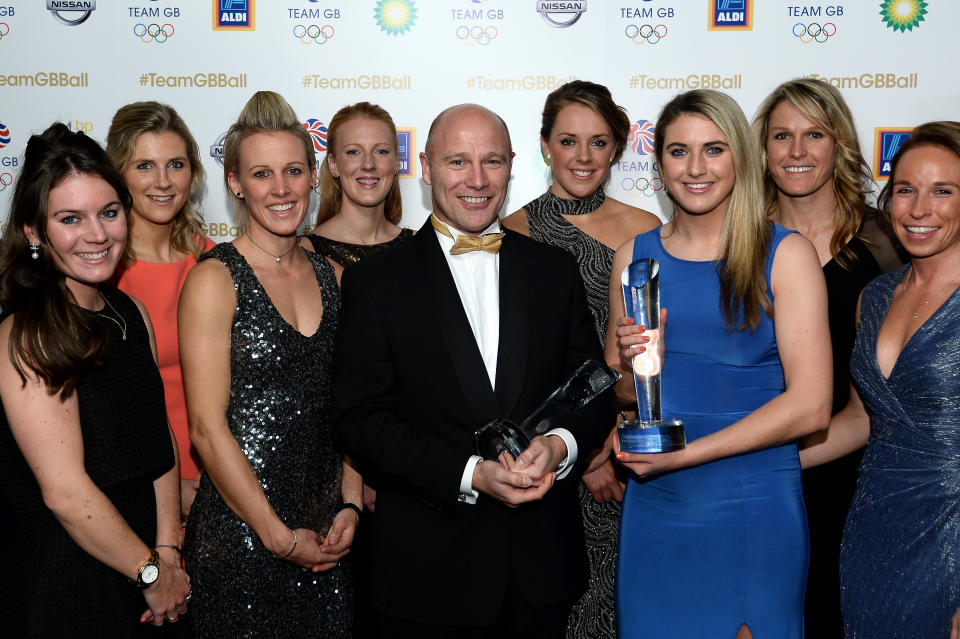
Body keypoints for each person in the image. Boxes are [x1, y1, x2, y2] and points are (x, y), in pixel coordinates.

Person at [333, 104, 615, 638]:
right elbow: (360, 421)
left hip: (539, 572)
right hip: (428, 578)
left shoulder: (553, 271)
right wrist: (470, 474)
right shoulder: (377, 283)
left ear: (512, 165)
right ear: (426, 166)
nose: (477, 180)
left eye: (492, 161)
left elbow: (594, 389)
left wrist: (558, 447)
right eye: (458, 162)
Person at [609, 90, 832, 638]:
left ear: (741, 157)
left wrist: (685, 456)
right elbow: (622, 393)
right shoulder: (633, 257)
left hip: (750, 502)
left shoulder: (787, 254)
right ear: (658, 161)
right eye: (679, 151)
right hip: (656, 506)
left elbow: (812, 408)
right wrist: (631, 363)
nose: (696, 168)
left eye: (714, 149)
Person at [179, 91, 359, 638]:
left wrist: (350, 504)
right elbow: (207, 431)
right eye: (262, 174)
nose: (281, 190)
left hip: (327, 539)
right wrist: (278, 536)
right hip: (241, 538)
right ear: (235, 182)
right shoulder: (215, 279)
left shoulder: (337, 274)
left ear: (313, 177)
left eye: (293, 171)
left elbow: (351, 405)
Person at [0, 123, 191, 636]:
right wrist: (150, 572)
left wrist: (168, 551)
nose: (98, 234)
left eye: (109, 212)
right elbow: (65, 492)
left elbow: (160, 441)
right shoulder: (29, 334)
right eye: (70, 219)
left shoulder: (130, 312)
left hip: (147, 573)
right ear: (34, 231)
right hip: (68, 584)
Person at [502, 79, 660, 639]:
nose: (584, 156)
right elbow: (523, 362)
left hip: (639, 448)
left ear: (617, 147)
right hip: (558, 449)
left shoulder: (647, 229)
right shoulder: (513, 232)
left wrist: (617, 436)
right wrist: (586, 452)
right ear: (545, 145)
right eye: (569, 141)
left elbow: (659, 348)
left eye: (598, 141)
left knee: (635, 603)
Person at [752, 78, 906, 637]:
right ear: (762, 149)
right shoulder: (736, 240)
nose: (796, 152)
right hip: (748, 474)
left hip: (855, 479)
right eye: (782, 136)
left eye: (813, 134)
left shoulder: (889, 241)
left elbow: (893, 394)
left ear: (838, 142)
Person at [799, 121, 960, 639]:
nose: (918, 209)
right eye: (906, 189)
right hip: (871, 526)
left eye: (943, 191)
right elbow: (861, 418)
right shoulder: (876, 295)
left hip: (949, 533)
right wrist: (761, 456)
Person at [106, 101, 216, 523]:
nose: (163, 182)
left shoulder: (215, 263)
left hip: (222, 478)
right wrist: (171, 489)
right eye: (145, 166)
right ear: (118, 175)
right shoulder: (102, 274)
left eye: (176, 164)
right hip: (137, 481)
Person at [301, 101, 413, 267]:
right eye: (354, 152)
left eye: (381, 151)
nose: (368, 164)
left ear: (396, 162)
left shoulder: (420, 247)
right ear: (333, 165)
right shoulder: (306, 252)